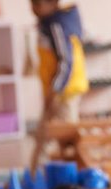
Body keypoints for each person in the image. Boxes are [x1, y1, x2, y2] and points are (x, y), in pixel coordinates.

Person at [29, 0, 88, 168]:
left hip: (64, 91)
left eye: (37, 4)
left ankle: (44, 174)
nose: (33, 9)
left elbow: (66, 62)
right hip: (57, 90)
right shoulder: (47, 24)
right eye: (31, 4)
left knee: (65, 139)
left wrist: (54, 90)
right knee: (46, 135)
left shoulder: (57, 25)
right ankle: (36, 173)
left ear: (53, 3)